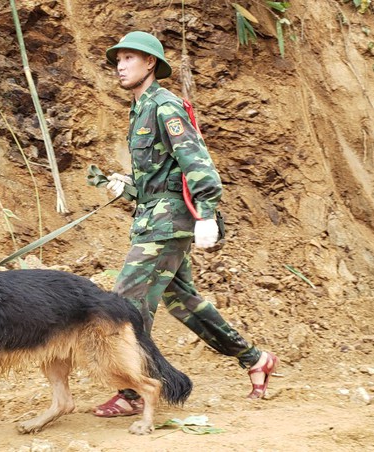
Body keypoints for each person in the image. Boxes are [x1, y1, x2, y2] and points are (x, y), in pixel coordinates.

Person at [94, 31, 278, 417]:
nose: (121, 65)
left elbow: (197, 162)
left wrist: (207, 212)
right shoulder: (140, 109)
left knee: (127, 302)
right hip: (154, 217)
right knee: (184, 302)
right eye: (118, 59)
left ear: (150, 64)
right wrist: (127, 185)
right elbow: (160, 174)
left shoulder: (165, 107)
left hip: (168, 222)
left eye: (130, 58)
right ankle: (255, 359)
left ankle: (133, 390)